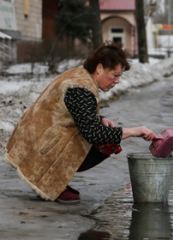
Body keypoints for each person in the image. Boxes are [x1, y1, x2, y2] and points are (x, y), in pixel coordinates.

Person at [5, 41, 157, 204]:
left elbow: (73, 111)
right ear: (99, 68)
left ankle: (56, 179)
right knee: (102, 140)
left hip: (34, 139)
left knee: (101, 133)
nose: (118, 80)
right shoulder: (80, 88)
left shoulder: (80, 75)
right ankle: (49, 180)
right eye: (115, 75)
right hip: (40, 146)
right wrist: (134, 131)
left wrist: (100, 119)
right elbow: (92, 133)